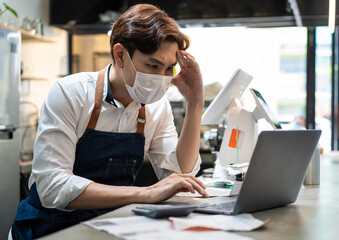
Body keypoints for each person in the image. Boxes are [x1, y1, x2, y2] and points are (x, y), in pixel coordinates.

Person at [12, 4, 208, 239]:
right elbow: (53, 186)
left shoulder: (156, 106)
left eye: (169, 69)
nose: (161, 78)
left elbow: (178, 174)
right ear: (120, 55)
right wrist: (144, 193)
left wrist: (195, 103)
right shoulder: (70, 93)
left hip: (110, 226)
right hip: (50, 227)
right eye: (153, 65)